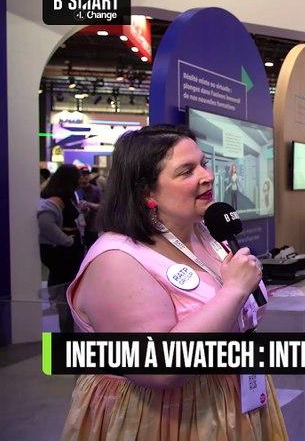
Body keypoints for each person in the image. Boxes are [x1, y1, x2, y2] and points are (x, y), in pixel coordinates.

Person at [61, 125, 287, 440]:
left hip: (233, 405)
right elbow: (160, 369)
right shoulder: (116, 260)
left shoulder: (205, 234)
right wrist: (235, 290)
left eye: (203, 164)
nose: (208, 176)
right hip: (164, 419)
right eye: (186, 171)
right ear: (146, 191)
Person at [38, 164, 84, 333]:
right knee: (64, 295)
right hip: (63, 256)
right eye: (78, 176)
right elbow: (46, 223)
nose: (81, 179)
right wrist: (67, 241)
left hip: (69, 254)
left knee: (68, 293)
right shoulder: (56, 199)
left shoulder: (68, 197)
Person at [76, 167, 102, 249]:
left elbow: (101, 206)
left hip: (92, 224)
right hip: (78, 224)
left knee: (92, 247)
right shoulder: (75, 189)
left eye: (87, 174)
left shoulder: (95, 189)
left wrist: (88, 204)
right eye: (83, 175)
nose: (85, 177)